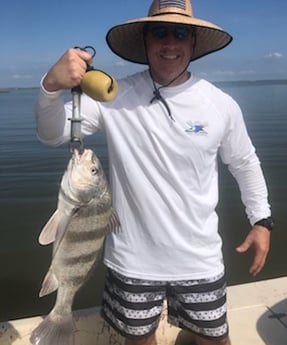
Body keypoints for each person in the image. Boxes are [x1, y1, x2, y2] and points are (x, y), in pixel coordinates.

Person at [35, 1, 274, 344]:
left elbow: (245, 163)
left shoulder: (220, 104)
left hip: (200, 258)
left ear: (193, 42)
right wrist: (49, 86)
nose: (170, 43)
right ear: (145, 41)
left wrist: (261, 220)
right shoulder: (114, 96)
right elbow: (51, 133)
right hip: (131, 262)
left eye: (181, 32)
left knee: (216, 339)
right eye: (159, 32)